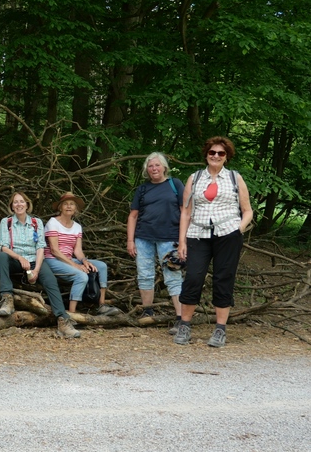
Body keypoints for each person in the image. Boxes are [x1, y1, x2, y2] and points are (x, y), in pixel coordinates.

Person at [174, 136, 252, 348]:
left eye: (221, 153)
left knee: (223, 278)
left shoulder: (235, 178)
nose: (216, 156)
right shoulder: (195, 178)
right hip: (198, 234)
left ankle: (220, 329)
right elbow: (186, 212)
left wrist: (238, 229)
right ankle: (184, 325)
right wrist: (182, 241)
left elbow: (247, 211)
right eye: (212, 152)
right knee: (193, 277)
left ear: (227, 157)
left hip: (228, 234)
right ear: (206, 154)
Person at [0, 191, 79, 338]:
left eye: (22, 201)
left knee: (50, 281)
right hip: (14, 259)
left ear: (27, 204)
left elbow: (40, 247)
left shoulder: (36, 222)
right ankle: (7, 299)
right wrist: (20, 258)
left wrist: (37, 269)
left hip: (35, 260)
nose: (19, 204)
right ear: (12, 206)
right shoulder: (6, 222)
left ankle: (63, 320)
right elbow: (3, 246)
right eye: (16, 202)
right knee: (1, 256)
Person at [126, 152, 185, 322]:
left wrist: (183, 240)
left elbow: (185, 213)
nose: (154, 168)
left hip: (170, 237)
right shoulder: (143, 189)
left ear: (164, 167)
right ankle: (147, 312)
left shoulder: (175, 185)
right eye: (150, 166)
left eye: (157, 165)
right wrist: (130, 240)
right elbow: (133, 216)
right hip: (143, 238)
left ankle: (181, 317)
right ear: (147, 170)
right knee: (144, 275)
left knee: (172, 275)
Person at [44, 192, 120, 316]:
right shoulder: (53, 223)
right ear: (60, 207)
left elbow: (77, 250)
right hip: (52, 260)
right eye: (65, 204)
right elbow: (55, 251)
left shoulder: (77, 227)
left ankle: (101, 305)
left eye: (72, 204)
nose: (69, 206)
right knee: (81, 275)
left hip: (68, 259)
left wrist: (84, 261)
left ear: (76, 209)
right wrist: (77, 266)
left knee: (101, 266)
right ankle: (71, 313)